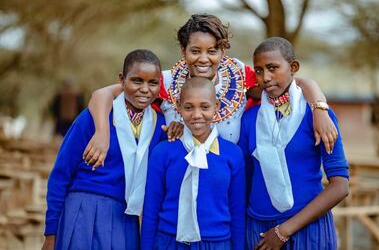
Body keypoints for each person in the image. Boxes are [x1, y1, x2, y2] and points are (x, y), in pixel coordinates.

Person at [83, 14, 338, 169]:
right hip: (176, 178)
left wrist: (319, 106)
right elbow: (103, 94)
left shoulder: (239, 75)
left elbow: (291, 82)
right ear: (183, 52)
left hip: (227, 182)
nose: (203, 59)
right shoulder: (165, 81)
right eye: (195, 51)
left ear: (223, 52)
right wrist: (102, 134)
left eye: (212, 51)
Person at [42, 49, 166, 250]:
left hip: (125, 218)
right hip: (83, 210)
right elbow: (60, 174)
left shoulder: (159, 126)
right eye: (136, 81)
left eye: (152, 83)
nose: (145, 89)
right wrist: (51, 232)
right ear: (121, 80)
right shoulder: (93, 118)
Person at [239, 37, 349, 249]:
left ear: (293, 67)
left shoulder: (317, 115)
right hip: (258, 232)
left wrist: (284, 231)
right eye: (259, 71)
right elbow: (246, 179)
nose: (266, 77)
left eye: (273, 68)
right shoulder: (250, 119)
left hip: (308, 231)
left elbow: (340, 186)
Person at [141, 77, 245, 249]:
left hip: (218, 242)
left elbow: (237, 211)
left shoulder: (232, 154)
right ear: (179, 108)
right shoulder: (163, 152)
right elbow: (151, 210)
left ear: (216, 106)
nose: (197, 115)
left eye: (205, 107)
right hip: (169, 240)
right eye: (189, 107)